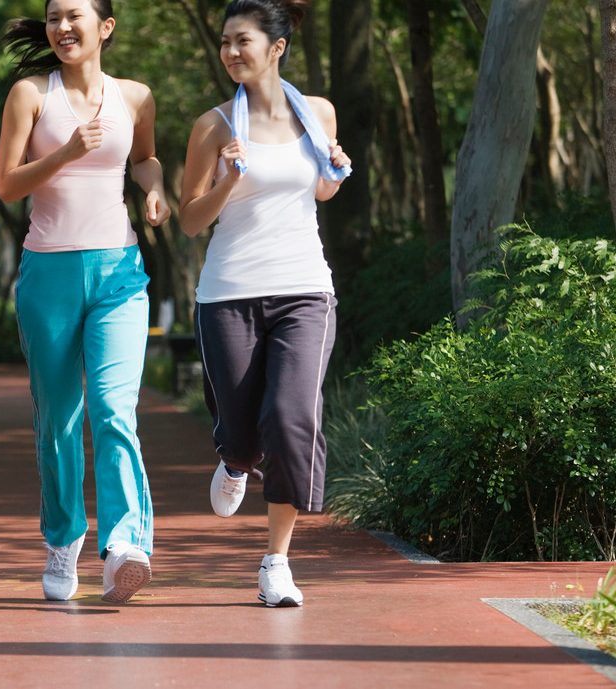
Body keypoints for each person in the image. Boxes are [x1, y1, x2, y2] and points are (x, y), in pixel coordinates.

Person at [177, 0, 351, 608]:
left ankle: (276, 560)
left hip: (305, 288)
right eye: (224, 42)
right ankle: (234, 460)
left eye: (241, 41)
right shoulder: (214, 126)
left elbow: (321, 189)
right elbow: (191, 221)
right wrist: (227, 180)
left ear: (276, 47)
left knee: (291, 414)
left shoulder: (318, 112)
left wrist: (337, 169)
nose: (229, 52)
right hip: (228, 293)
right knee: (246, 434)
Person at [0, 0, 170, 603]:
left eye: (75, 16)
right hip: (49, 271)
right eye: (53, 18)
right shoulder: (30, 94)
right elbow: (7, 184)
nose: (63, 27)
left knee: (113, 407)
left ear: (106, 27)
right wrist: (67, 151)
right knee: (58, 419)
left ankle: (126, 544)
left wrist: (155, 191)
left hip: (119, 268)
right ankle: (63, 540)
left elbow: (144, 158)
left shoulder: (136, 96)